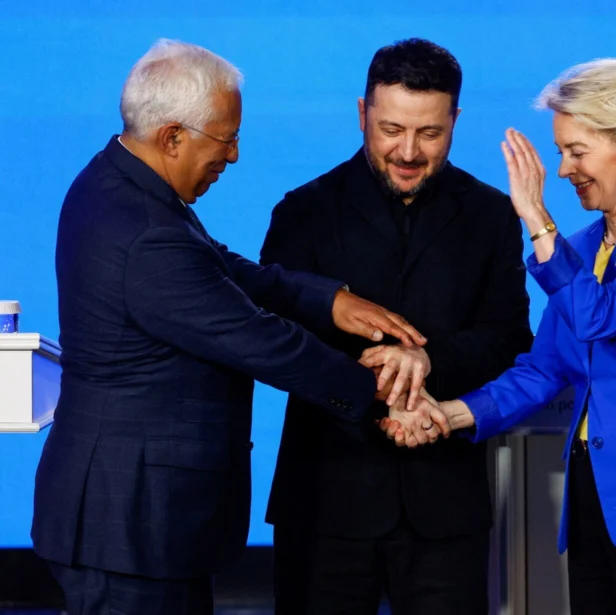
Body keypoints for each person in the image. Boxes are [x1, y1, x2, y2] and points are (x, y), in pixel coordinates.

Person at [31, 39, 441, 615]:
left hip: (137, 524)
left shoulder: (118, 182)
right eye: (225, 139)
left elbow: (219, 266)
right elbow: (259, 340)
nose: (235, 155)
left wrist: (328, 300)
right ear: (173, 137)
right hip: (128, 525)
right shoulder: (145, 231)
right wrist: (380, 388)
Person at [385, 58, 616, 615]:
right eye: (560, 152)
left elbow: (603, 315)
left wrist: (535, 217)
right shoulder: (578, 250)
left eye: (576, 151)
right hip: (593, 496)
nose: (562, 170)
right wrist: (448, 414)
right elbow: (543, 369)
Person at [260, 38, 532, 614]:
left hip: (445, 503)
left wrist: (428, 361)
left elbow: (510, 338)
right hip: (326, 500)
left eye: (429, 133)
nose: (408, 152)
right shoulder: (303, 211)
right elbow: (275, 338)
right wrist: (378, 383)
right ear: (363, 113)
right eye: (391, 130)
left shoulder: (491, 215)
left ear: (455, 120)